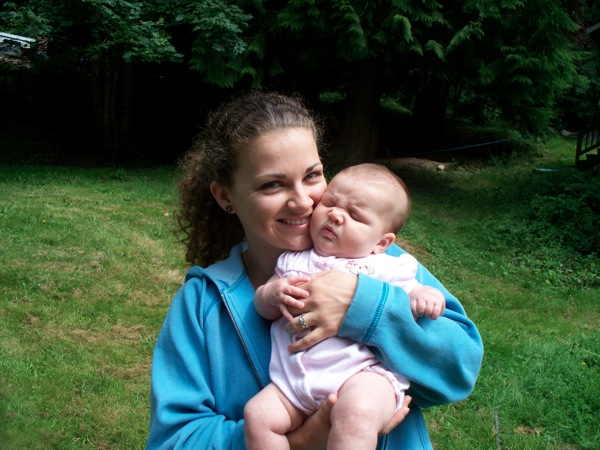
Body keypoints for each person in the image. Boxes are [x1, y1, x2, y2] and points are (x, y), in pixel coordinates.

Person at [146, 91, 483, 449]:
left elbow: (459, 371)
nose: (303, 200)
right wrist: (301, 440)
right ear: (225, 196)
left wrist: (366, 308)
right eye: (272, 184)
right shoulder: (203, 304)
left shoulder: (379, 261)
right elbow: (175, 439)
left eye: (312, 175)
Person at [245, 163, 447, 450]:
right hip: (293, 385)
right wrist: (270, 295)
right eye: (329, 202)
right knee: (257, 415)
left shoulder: (384, 266)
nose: (335, 215)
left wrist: (426, 295)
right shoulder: (293, 260)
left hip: (361, 377)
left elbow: (413, 292)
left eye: (354, 215)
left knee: (357, 413)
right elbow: (265, 309)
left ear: (381, 242)